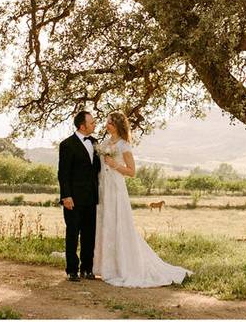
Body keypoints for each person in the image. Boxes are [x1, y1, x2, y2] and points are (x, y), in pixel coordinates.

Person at [93, 111, 191, 287]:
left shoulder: (124, 146)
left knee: (119, 223)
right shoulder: (104, 144)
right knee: (104, 222)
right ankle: (105, 267)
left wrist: (115, 165)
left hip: (116, 187)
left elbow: (132, 171)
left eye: (109, 123)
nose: (106, 125)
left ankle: (123, 266)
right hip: (103, 187)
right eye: (106, 122)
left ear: (116, 125)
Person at [58, 110, 101, 281]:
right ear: (82, 126)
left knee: (89, 234)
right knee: (73, 233)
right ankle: (72, 270)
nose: (94, 125)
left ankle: (87, 268)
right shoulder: (67, 144)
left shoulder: (96, 143)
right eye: (92, 123)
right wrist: (66, 196)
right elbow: (63, 173)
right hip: (73, 199)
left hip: (91, 197)